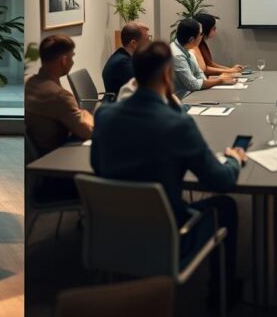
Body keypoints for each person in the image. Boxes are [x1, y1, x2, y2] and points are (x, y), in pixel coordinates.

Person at [91, 41, 246, 309]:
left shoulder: (104, 115)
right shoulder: (177, 125)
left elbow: (97, 165)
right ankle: (221, 294)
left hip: (112, 230)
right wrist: (234, 159)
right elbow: (220, 181)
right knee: (226, 206)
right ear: (167, 75)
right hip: (167, 235)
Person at [24, 34, 94, 157]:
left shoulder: (28, 82)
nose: (73, 61)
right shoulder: (60, 96)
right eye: (72, 57)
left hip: (39, 157)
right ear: (64, 61)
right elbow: (88, 132)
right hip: (59, 156)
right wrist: (86, 114)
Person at [171, 18, 236, 99]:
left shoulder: (188, 49)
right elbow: (193, 85)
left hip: (195, 95)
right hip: (183, 100)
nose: (202, 36)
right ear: (191, 39)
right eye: (201, 34)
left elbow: (199, 74)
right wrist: (220, 80)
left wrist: (218, 79)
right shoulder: (177, 55)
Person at [101, 21, 150, 97]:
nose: (149, 43)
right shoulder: (123, 64)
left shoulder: (121, 55)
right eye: (146, 40)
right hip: (120, 103)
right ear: (133, 43)